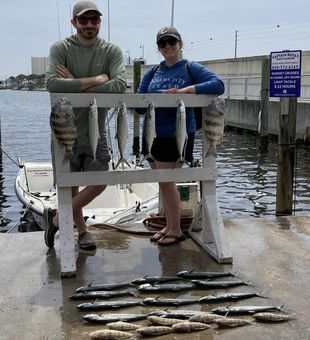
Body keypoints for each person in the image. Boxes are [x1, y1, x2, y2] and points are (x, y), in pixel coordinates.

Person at [45, 1, 127, 250]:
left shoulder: (111, 51)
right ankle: (83, 231)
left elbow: (120, 86)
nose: (90, 24)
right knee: (70, 188)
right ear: (74, 23)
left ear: (100, 22)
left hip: (97, 133)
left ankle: (57, 218)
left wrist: (75, 83)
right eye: (84, 20)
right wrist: (95, 80)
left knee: (100, 182)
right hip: (64, 133)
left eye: (94, 19)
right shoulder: (61, 48)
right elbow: (51, 83)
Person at [136, 26, 225, 246]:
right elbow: (138, 106)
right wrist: (155, 98)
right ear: (158, 48)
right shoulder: (153, 72)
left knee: (168, 182)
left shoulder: (189, 67)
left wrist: (185, 91)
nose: (167, 46)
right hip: (152, 135)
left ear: (180, 44)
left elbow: (218, 85)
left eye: (171, 41)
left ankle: (176, 230)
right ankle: (168, 224)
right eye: (162, 43)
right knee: (162, 182)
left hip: (179, 134)